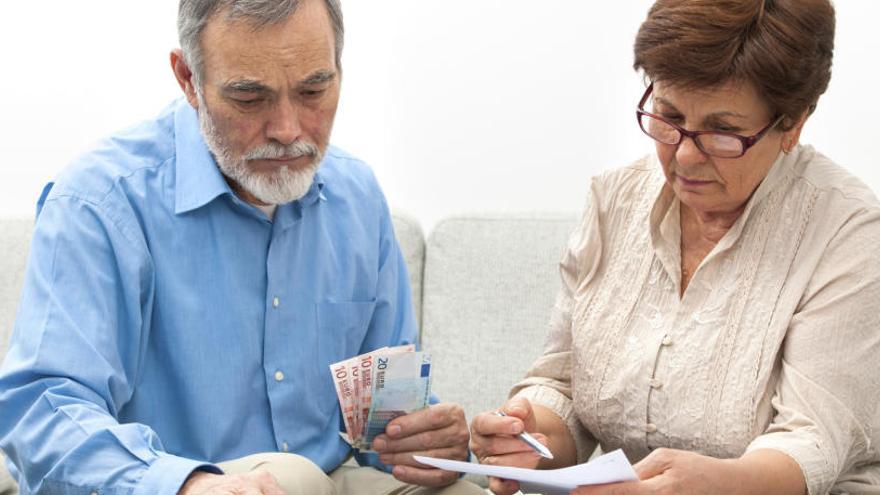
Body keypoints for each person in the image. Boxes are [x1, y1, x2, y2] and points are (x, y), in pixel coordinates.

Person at [0, 1, 483, 494]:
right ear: (188, 78)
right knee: (294, 479)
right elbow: (41, 408)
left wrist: (435, 446)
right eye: (250, 98)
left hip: (336, 477)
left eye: (314, 90)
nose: (289, 130)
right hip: (173, 481)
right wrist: (185, 485)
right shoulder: (100, 202)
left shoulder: (355, 196)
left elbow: (386, 416)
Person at [470, 1, 880, 494]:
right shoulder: (614, 199)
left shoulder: (848, 230)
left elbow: (813, 442)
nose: (685, 154)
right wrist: (528, 434)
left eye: (723, 131)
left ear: (792, 123)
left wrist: (710, 483)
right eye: (669, 115)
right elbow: (564, 390)